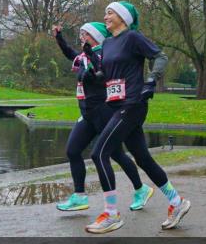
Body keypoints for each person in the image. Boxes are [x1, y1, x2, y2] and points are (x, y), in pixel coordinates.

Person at [88, 1, 190, 233]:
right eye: (105, 13)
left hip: (133, 103)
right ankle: (177, 202)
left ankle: (112, 214)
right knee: (143, 158)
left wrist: (152, 79)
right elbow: (107, 75)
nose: (105, 17)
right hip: (117, 105)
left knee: (99, 152)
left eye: (109, 12)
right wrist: (94, 71)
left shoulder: (133, 37)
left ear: (123, 18)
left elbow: (160, 57)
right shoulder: (107, 43)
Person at [52, 22, 149, 213]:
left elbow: (102, 75)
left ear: (96, 36)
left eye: (85, 33)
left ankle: (141, 189)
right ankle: (79, 196)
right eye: (80, 33)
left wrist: (92, 68)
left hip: (104, 111)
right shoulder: (83, 56)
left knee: (116, 154)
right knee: (73, 150)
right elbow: (70, 53)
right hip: (87, 114)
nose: (81, 36)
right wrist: (59, 37)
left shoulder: (105, 55)